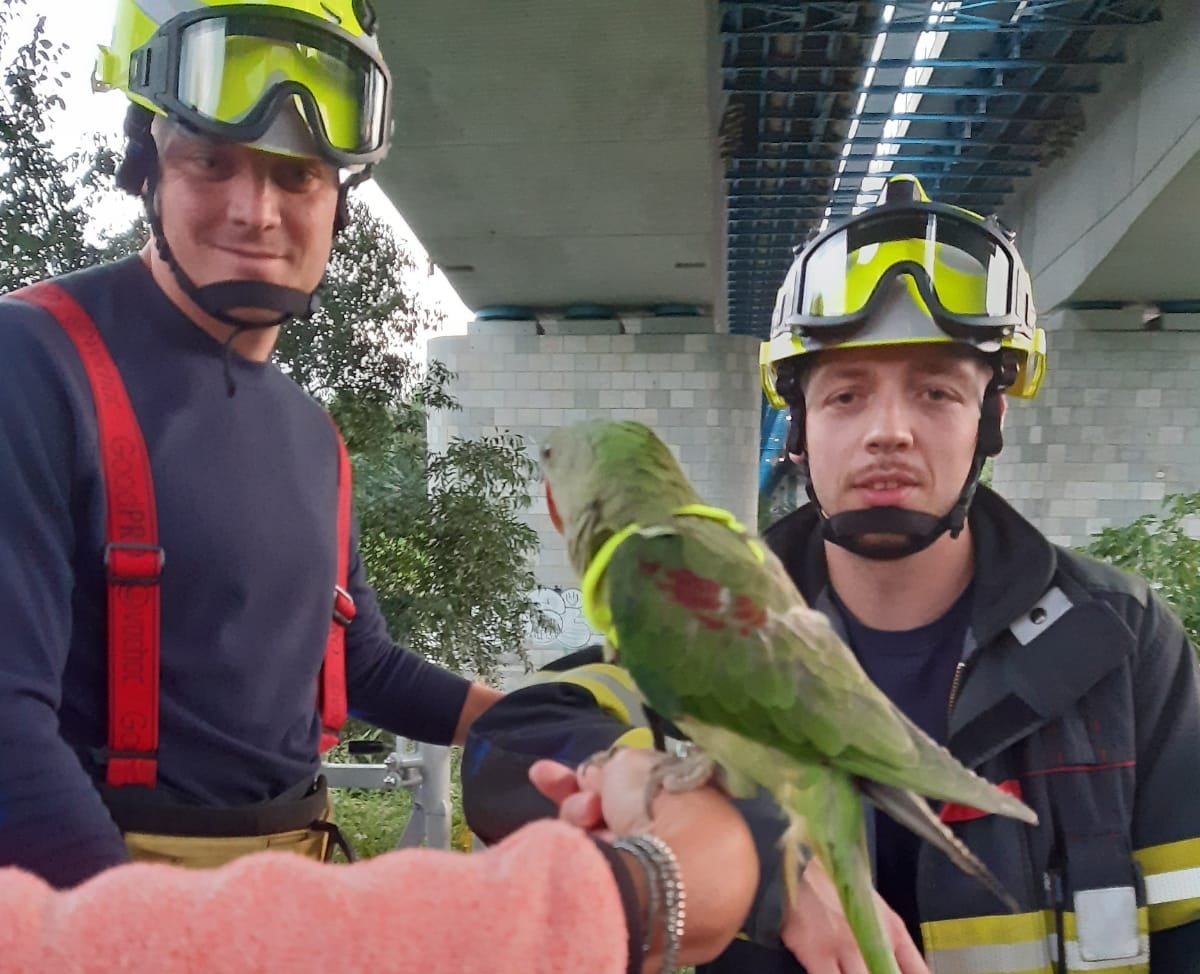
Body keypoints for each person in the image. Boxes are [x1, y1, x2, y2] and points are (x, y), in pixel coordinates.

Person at [461, 174, 1200, 973]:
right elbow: (509, 742)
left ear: (992, 418)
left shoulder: (1116, 640)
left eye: (936, 393)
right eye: (846, 395)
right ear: (800, 429)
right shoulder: (703, 596)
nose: (889, 432)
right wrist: (738, 839)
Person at [0, 0, 499, 887]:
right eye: (210, 161)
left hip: (296, 883)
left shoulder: (313, 433)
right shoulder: (34, 362)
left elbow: (356, 659)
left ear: (338, 201)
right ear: (145, 167)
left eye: (294, 175)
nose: (255, 211)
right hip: (107, 892)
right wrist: (142, 945)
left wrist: (549, 719)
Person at [0, 748, 759, 974]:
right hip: (125, 870)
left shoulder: (310, 442)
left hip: (293, 842)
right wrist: (636, 879)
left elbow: (364, 658)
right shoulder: (43, 381)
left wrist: (523, 726)